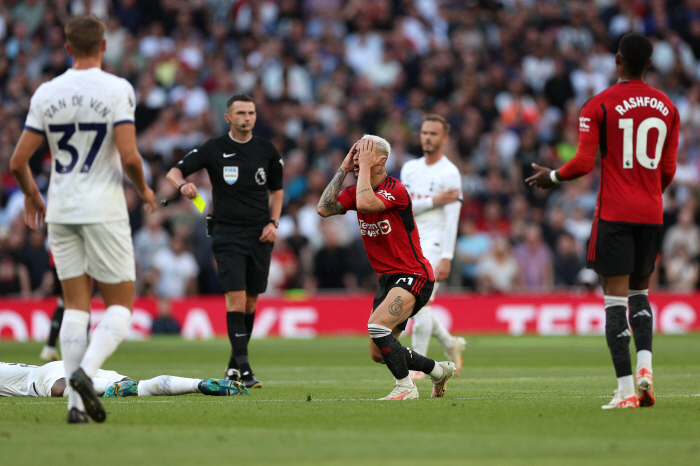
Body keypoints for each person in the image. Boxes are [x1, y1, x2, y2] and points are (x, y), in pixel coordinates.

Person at [9, 15, 157, 424]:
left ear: (67, 48)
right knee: (120, 307)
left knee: (75, 306)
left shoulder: (46, 93)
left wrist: (33, 195)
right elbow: (129, 156)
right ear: (105, 46)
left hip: (61, 207)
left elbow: (18, 161)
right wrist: (144, 190)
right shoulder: (116, 89)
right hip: (103, 208)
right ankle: (85, 375)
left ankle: (76, 409)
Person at [526, 33, 679, 410]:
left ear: (617, 61)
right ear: (649, 63)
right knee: (641, 294)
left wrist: (553, 177)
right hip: (651, 212)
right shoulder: (668, 107)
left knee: (614, 301)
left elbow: (581, 163)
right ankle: (646, 369)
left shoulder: (599, 104)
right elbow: (669, 169)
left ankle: (626, 390)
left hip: (614, 213)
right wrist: (647, 192)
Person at [317, 135, 456, 400]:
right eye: (356, 154)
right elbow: (323, 208)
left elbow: (368, 203)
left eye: (364, 153)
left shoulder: (395, 189)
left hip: (414, 274)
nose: (358, 159)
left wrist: (364, 168)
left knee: (377, 326)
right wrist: (344, 169)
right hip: (388, 280)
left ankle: (405, 387)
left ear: (381, 159)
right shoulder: (357, 189)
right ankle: (438, 370)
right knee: (378, 352)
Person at [166, 94, 283, 389]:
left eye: (252, 112)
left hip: (260, 233)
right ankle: (245, 369)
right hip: (227, 233)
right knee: (237, 298)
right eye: (241, 113)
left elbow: (277, 191)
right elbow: (173, 172)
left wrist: (274, 222)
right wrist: (184, 186)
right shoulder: (214, 148)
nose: (248, 117)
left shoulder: (266, 150)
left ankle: (233, 366)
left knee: (252, 301)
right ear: (228, 118)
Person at [399, 114, 466, 379]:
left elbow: (453, 217)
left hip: (436, 244)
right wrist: (433, 200)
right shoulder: (409, 168)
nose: (427, 137)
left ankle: (417, 367)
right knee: (419, 304)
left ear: (444, 138)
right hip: (412, 242)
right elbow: (402, 206)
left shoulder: (450, 173)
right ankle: (450, 344)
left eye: (433, 134)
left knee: (420, 303)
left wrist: (447, 256)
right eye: (424, 132)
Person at [0, 361, 247, 400]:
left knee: (61, 389)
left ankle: (110, 388)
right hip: (65, 363)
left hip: (43, 376)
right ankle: (197, 384)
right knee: (139, 386)